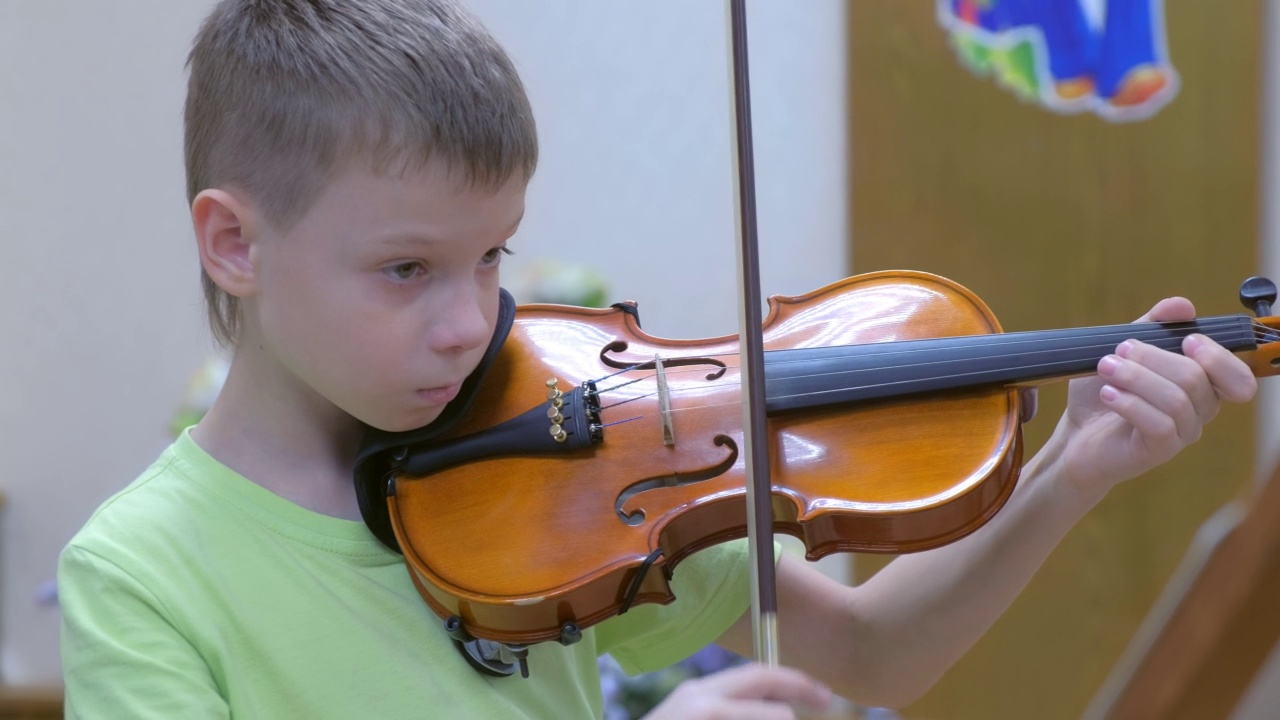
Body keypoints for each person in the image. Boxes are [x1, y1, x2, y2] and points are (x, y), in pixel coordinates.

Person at [56, 1, 1258, 718]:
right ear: (234, 244)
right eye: (406, 270)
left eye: (491, 257)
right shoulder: (146, 576)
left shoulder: (555, 455)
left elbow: (874, 655)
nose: (471, 322)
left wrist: (1072, 470)